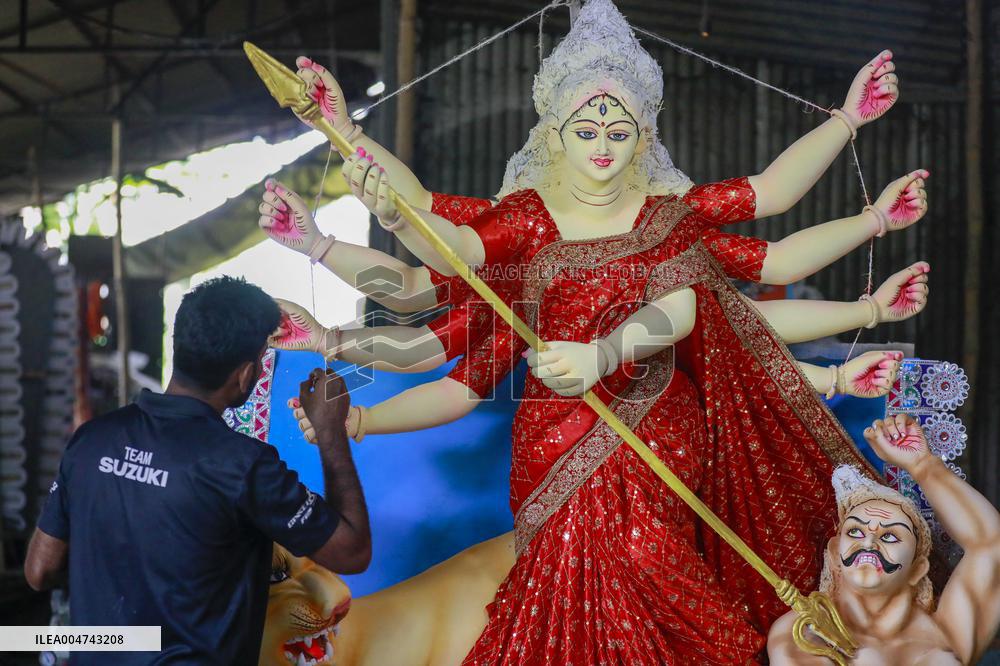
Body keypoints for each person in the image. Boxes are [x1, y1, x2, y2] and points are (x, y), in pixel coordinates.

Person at [24, 276, 371, 665]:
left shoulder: (91, 442)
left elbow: (40, 571)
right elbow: (352, 551)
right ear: (244, 375)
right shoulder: (241, 466)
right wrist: (329, 432)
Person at [768, 414, 1000, 665]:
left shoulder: (948, 633)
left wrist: (923, 465)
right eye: (855, 531)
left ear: (918, 568)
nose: (868, 543)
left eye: (889, 536)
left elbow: (991, 545)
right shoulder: (803, 634)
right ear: (835, 554)